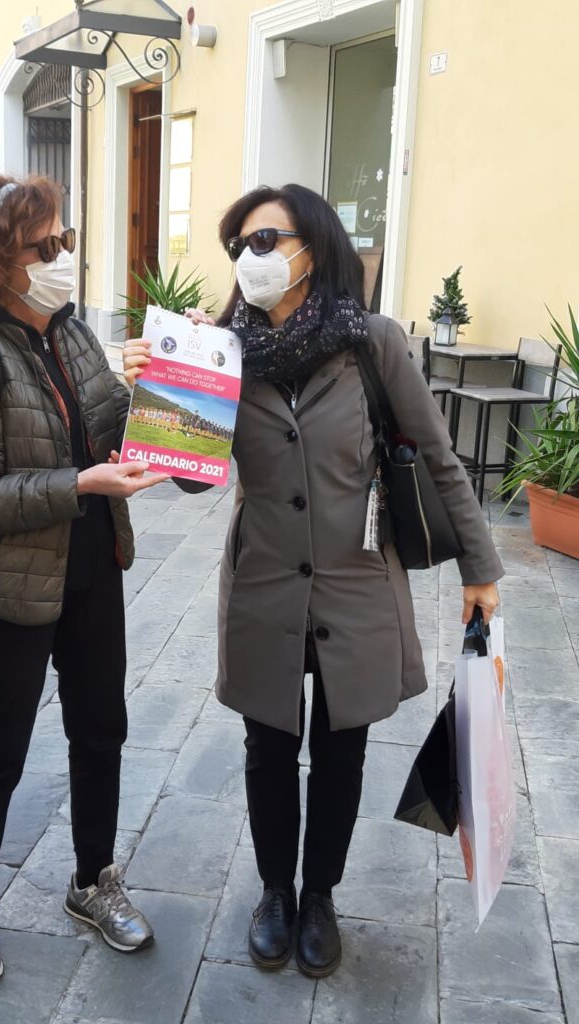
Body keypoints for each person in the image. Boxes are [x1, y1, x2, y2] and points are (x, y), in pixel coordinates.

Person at [123, 183, 502, 979]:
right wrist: (170, 385)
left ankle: (320, 895)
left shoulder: (373, 344)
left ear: (313, 247)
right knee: (268, 746)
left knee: (341, 749)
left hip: (356, 580)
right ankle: (275, 892)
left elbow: (439, 458)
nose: (249, 258)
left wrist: (480, 569)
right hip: (263, 580)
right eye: (240, 246)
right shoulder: (221, 349)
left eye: (266, 240)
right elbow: (189, 477)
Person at [0, 172, 168, 986]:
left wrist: (167, 381)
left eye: (65, 238)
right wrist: (80, 484)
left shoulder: (75, 335)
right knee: (0, 749)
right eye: (46, 245)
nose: (64, 256)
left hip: (93, 570)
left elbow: (113, 430)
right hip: (7, 589)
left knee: (101, 731)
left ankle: (94, 881)